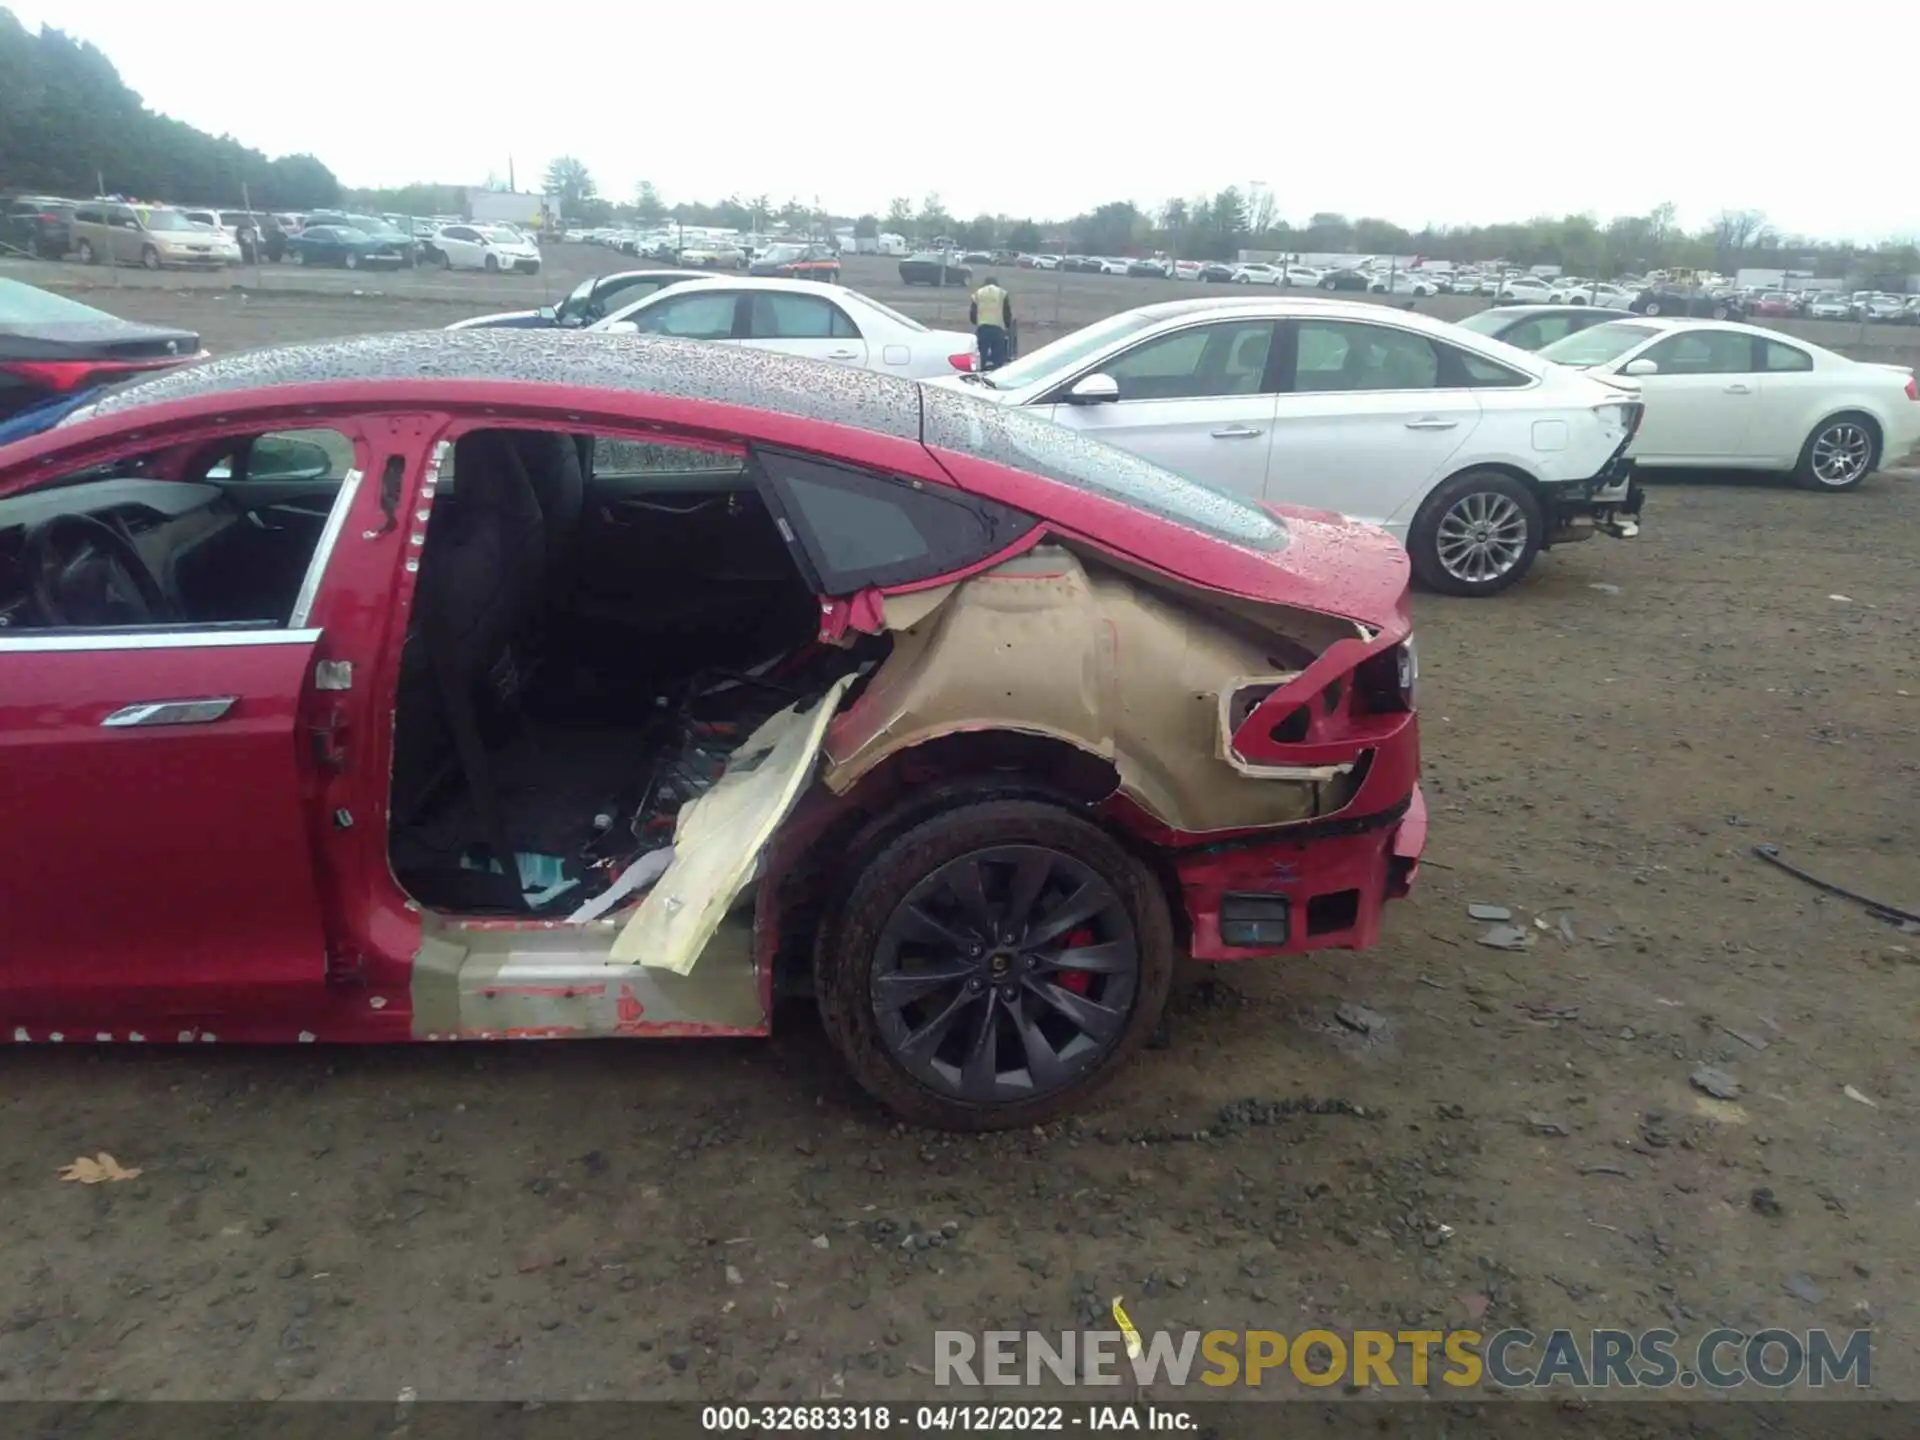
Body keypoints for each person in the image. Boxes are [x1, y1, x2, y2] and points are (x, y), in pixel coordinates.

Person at [970, 275, 1013, 372]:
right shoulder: (1002, 293)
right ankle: (996, 374)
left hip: (983, 328)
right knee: (998, 355)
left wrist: (976, 322)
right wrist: (1007, 325)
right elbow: (1006, 311)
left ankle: (980, 373)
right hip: (998, 328)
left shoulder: (978, 293)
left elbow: (973, 312)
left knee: (981, 354)